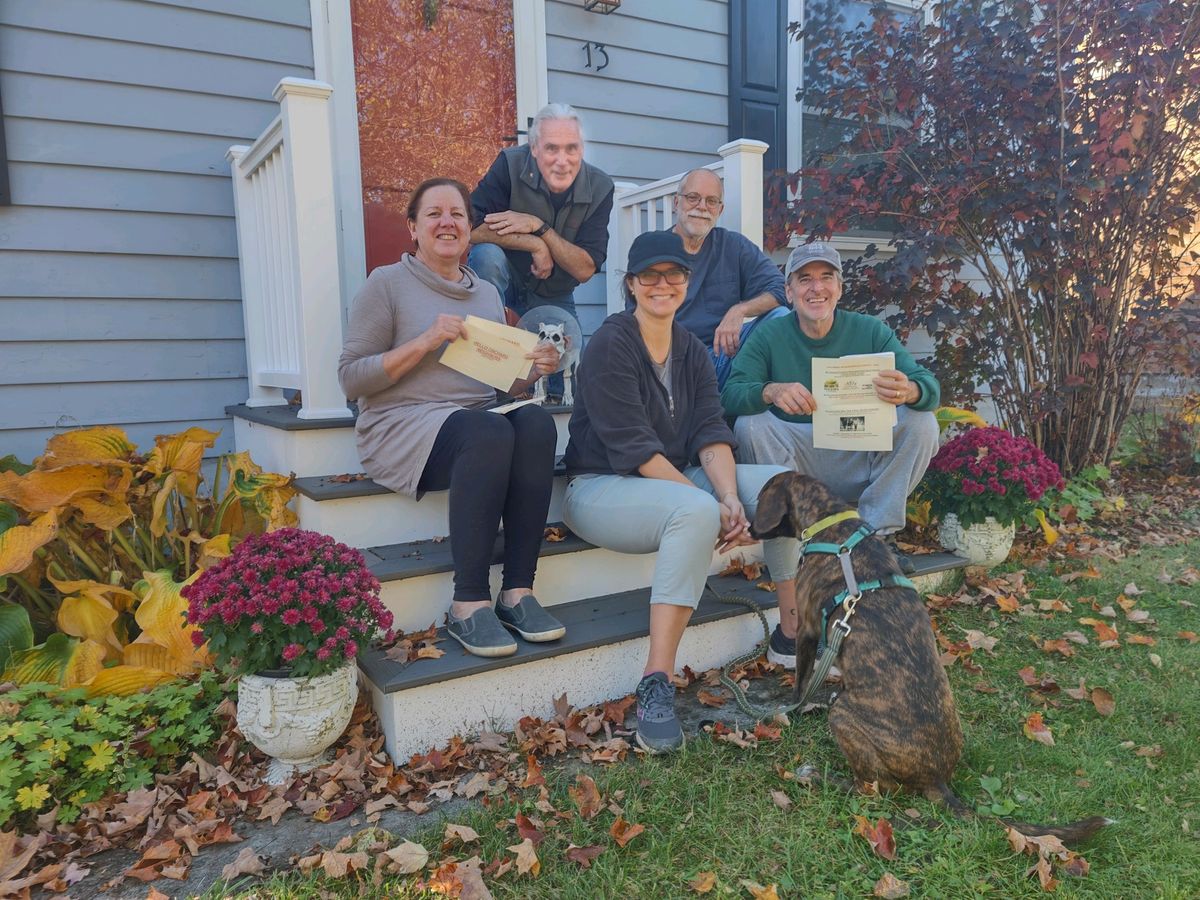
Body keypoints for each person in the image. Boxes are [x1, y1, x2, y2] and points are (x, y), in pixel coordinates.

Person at [562, 231, 802, 754]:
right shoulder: (611, 343)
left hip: (670, 481)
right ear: (631, 285)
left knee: (783, 487)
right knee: (695, 510)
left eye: (674, 275)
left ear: (687, 285)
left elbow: (711, 431)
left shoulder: (691, 348)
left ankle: (791, 633)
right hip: (602, 487)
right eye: (650, 275)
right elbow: (634, 448)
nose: (662, 284)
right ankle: (656, 679)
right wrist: (713, 506)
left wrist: (731, 497)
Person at [338, 178, 566, 658]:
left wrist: (534, 369)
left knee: (536, 424)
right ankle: (467, 603)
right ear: (413, 229)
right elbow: (352, 379)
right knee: (487, 430)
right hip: (401, 424)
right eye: (434, 214)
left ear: (469, 228)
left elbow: (499, 384)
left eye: (458, 214)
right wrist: (423, 341)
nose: (447, 222)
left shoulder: (484, 294)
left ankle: (517, 592)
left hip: (472, 422)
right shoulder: (385, 284)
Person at [721, 241, 941, 591]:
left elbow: (928, 385)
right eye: (805, 279)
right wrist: (770, 391)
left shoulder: (870, 331)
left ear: (839, 288)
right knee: (751, 424)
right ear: (789, 292)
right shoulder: (770, 334)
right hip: (797, 457)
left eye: (826, 277)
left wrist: (910, 391)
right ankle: (799, 538)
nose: (816, 288)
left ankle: (874, 538)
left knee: (921, 421)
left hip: (857, 452)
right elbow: (731, 394)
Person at [467, 103, 614, 322]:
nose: (562, 161)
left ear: (581, 149)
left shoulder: (600, 187)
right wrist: (534, 244)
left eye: (571, 148)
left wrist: (540, 228)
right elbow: (470, 228)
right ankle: (487, 338)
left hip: (553, 293)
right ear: (534, 148)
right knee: (487, 255)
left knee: (570, 355)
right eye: (552, 148)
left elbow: (585, 269)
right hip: (504, 278)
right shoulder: (510, 164)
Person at [665, 168, 788, 387]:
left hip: (725, 357)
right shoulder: (656, 251)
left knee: (780, 317)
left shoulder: (733, 246)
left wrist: (739, 310)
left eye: (711, 201)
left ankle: (766, 398)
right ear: (677, 203)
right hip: (675, 366)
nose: (702, 207)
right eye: (693, 198)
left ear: (720, 210)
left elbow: (781, 288)